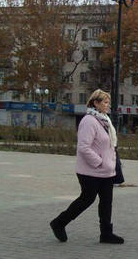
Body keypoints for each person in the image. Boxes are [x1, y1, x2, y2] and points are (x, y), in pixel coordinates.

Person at [49, 89, 124, 244]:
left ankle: (106, 234)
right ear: (95, 103)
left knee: (106, 202)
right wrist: (99, 162)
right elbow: (84, 147)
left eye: (108, 102)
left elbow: (109, 145)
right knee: (86, 199)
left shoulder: (105, 120)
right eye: (105, 102)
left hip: (106, 172)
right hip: (90, 171)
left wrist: (110, 164)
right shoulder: (89, 121)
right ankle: (59, 223)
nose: (108, 105)